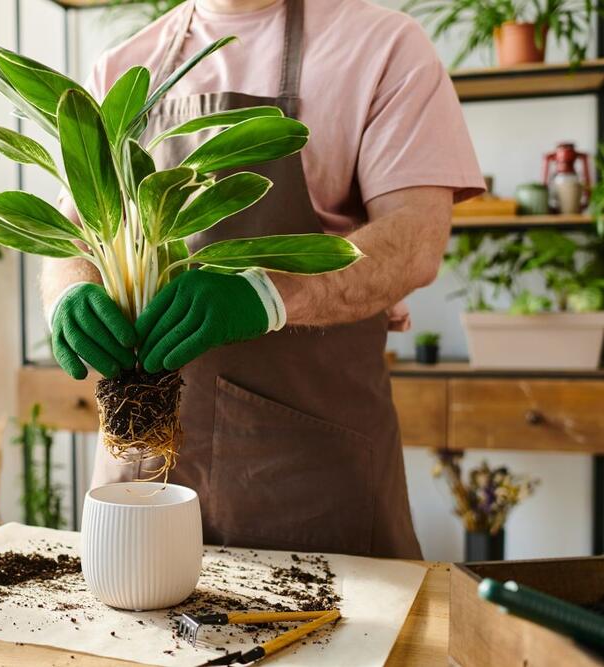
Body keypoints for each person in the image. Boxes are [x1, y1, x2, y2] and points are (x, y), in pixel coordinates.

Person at [41, 0, 485, 559]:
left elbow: (415, 238)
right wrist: (69, 292)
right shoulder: (123, 70)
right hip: (144, 464)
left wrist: (268, 293)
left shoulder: (382, 46)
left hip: (311, 472)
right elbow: (73, 237)